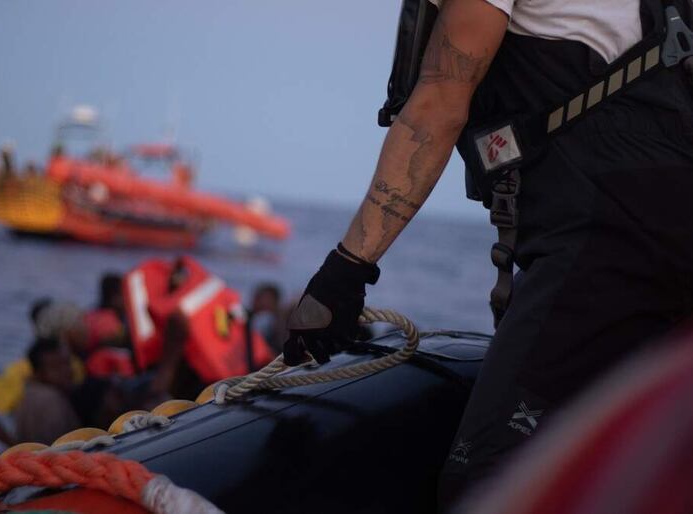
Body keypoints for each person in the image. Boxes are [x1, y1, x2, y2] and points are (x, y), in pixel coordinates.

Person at [282, 0, 693, 509]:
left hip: (612, 232)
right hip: (658, 224)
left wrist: (345, 269)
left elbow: (439, 103)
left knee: (486, 478)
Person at [0, 300, 86, 446]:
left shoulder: (74, 360)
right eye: (78, 324)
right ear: (64, 332)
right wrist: (13, 445)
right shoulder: (23, 370)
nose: (85, 329)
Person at [15, 338, 81, 445]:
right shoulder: (51, 401)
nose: (68, 370)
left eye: (68, 363)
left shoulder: (29, 392)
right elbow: (62, 447)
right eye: (57, 367)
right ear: (38, 373)